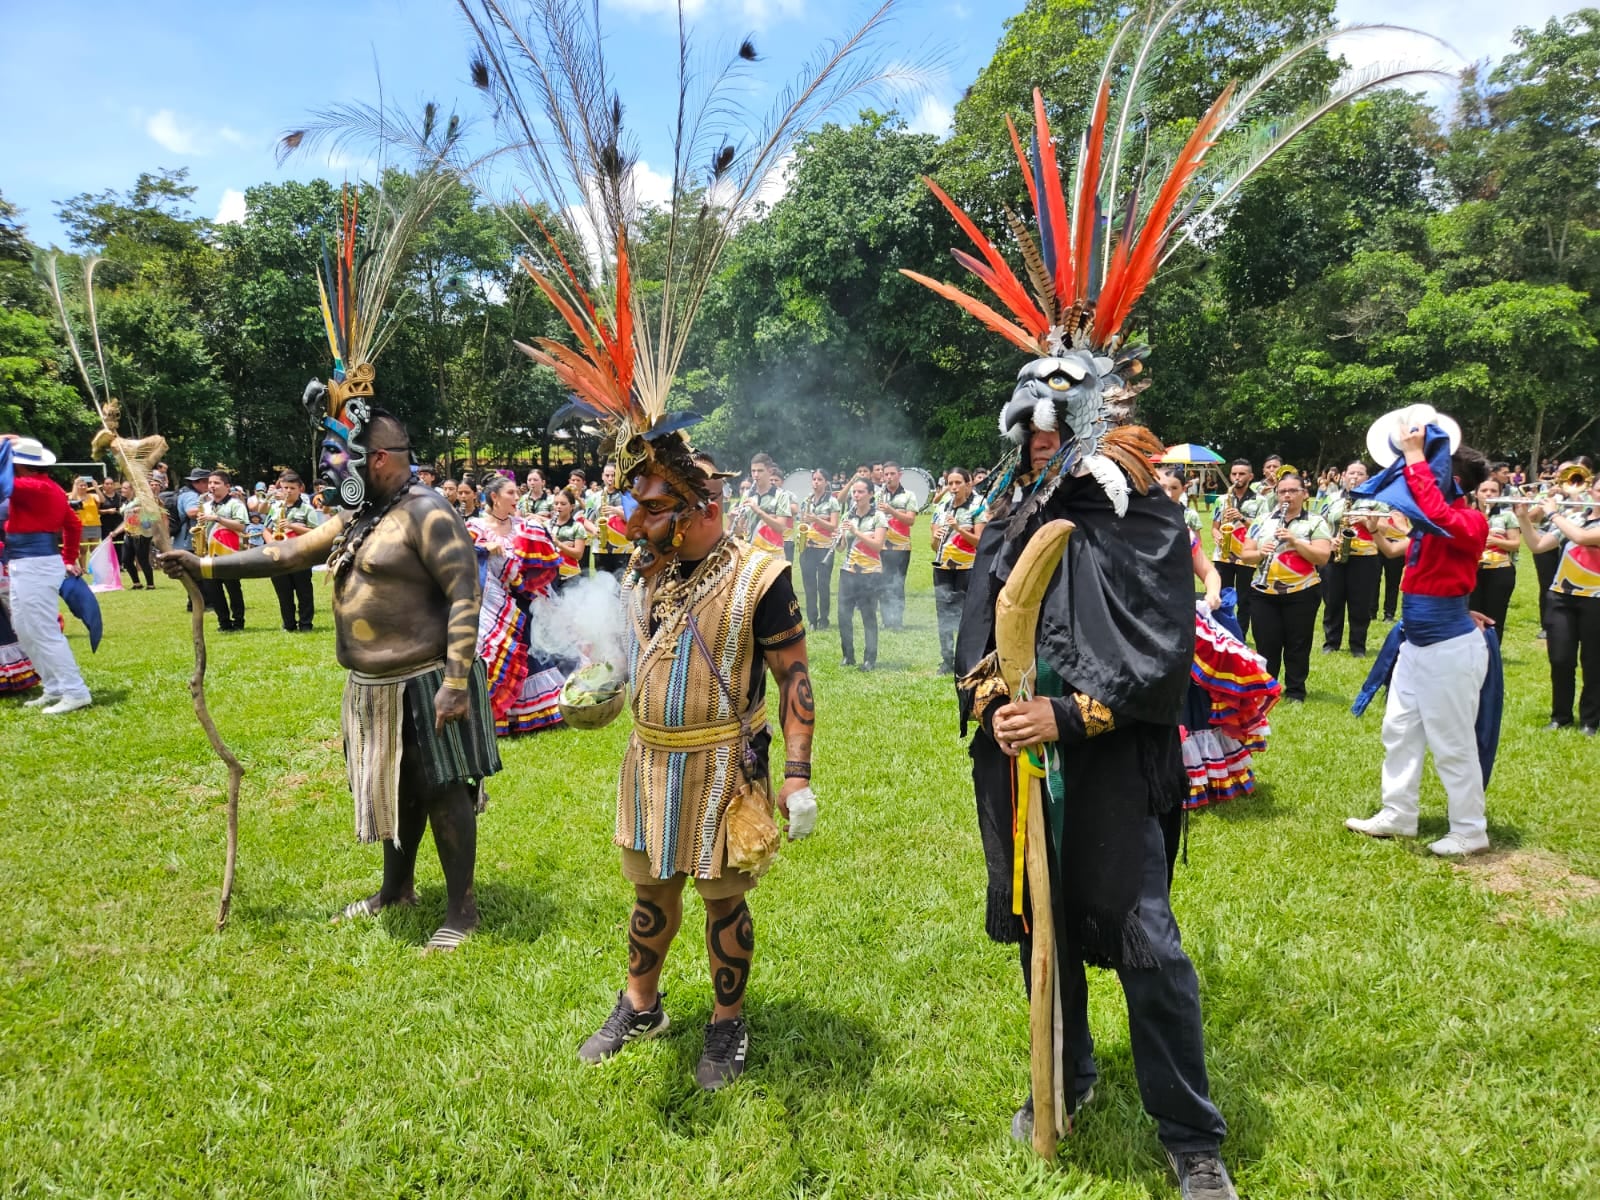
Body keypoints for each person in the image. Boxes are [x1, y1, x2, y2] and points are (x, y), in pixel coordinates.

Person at [907, 89, 1241, 1185]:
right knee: (1037, 935)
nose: (1037, 436)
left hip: (1102, 759)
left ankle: (1189, 1140)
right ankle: (1069, 1071)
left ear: (1089, 419)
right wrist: (984, 698)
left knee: (1141, 939)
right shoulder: (1007, 512)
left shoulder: (1142, 511)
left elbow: (1159, 644)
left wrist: (1072, 706)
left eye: (1055, 420)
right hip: (1014, 757)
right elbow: (976, 620)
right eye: (1027, 422)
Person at [160, 393, 499, 952]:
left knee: (441, 790)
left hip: (427, 679)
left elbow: (466, 595)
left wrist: (457, 683)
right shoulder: (361, 516)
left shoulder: (429, 512)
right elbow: (287, 554)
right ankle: (397, 890)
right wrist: (205, 565)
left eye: (341, 462)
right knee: (392, 788)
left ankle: (462, 910)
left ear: (381, 458)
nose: (332, 473)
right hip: (372, 688)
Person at [1347, 422, 1495, 855]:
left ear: (1452, 482)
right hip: (1417, 643)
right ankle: (1399, 814)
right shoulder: (1434, 523)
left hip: (1448, 649)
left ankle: (1470, 829)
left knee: (1452, 741)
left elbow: (1437, 514)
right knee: (1399, 730)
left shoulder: (1467, 520)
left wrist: (1415, 457)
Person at [0, 436, 92, 713]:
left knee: (43, 631)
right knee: (27, 631)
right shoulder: (48, 487)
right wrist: (67, 558)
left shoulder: (30, 487)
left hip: (34, 565)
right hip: (30, 564)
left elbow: (3, 486)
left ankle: (75, 691)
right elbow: (73, 524)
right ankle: (53, 687)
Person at [468, 475, 565, 736]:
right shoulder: (475, 527)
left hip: (524, 604)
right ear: (494, 497)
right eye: (510, 493)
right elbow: (457, 555)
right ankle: (498, 714)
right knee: (500, 654)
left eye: (516, 493)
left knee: (530, 653)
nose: (516, 497)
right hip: (491, 606)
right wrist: (484, 549)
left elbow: (541, 562)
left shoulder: (524, 526)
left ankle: (535, 713)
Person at [1515, 470, 1600, 734]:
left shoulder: (1567, 519)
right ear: (1592, 491)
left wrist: (1552, 513)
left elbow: (1583, 538)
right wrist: (1522, 519)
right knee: (1561, 659)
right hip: (1561, 597)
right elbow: (1539, 545)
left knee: (1594, 662)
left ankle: (1590, 720)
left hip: (1595, 599)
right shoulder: (1573, 517)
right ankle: (1560, 716)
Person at [1238, 472, 1332, 702]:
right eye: (1282, 491)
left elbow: (1322, 557)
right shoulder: (1262, 521)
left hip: (1302, 592)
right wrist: (1261, 552)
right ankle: (1267, 689)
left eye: (1292, 491)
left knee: (1297, 643)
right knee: (1266, 642)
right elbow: (1245, 555)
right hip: (1263, 592)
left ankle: (1295, 691)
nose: (1287, 495)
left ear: (1304, 494)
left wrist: (1295, 542)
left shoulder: (1315, 522)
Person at [1319, 461, 1385, 657]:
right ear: (1343, 476)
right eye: (1351, 473)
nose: (1355, 477)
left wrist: (1366, 520)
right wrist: (1330, 539)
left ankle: (1358, 645)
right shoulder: (1331, 498)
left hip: (1365, 557)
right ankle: (1332, 642)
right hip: (1336, 554)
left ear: (1367, 478)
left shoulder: (1375, 500)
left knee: (1360, 602)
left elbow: (1388, 528)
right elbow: (1320, 523)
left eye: (1360, 473)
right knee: (1332, 600)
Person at [930, 467, 987, 674]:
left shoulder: (978, 506)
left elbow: (981, 542)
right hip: (943, 567)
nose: (953, 488)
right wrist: (936, 538)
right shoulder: (941, 507)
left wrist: (958, 529)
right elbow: (934, 546)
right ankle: (947, 659)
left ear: (968, 483)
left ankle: (967, 660)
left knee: (966, 614)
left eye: (958, 483)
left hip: (968, 568)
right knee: (943, 614)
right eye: (950, 483)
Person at [1210, 459, 1266, 638]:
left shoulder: (1261, 501)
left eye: (1242, 474)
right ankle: (1221, 632)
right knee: (1221, 595)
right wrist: (1216, 535)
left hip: (1246, 554)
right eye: (1234, 474)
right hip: (1223, 554)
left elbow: (1262, 529)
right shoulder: (1222, 499)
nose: (1237, 477)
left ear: (1250, 476)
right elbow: (1214, 527)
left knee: (1244, 598)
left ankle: (1239, 634)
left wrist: (1242, 518)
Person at [836, 478, 887, 671]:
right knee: (843, 615)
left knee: (868, 616)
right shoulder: (848, 516)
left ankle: (869, 658)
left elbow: (878, 545)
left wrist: (856, 532)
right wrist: (840, 538)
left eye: (860, 492)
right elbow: (842, 548)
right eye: (854, 493)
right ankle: (848, 655)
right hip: (848, 571)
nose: (856, 496)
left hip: (870, 573)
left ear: (870, 494)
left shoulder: (878, 517)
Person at [265, 470, 320, 632]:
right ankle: (288, 624)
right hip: (279, 555)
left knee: (304, 592)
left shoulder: (307, 509)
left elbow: (315, 532)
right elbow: (266, 529)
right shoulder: (274, 508)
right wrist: (271, 544)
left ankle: (305, 624)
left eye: (292, 488)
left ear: (300, 489)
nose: (288, 491)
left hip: (300, 555)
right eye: (285, 488)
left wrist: (291, 526)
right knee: (283, 592)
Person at [197, 471, 249, 632]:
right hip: (209, 553)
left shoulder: (235, 504)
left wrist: (218, 519)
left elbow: (241, 526)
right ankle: (223, 622)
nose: (212, 486)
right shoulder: (206, 505)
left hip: (229, 553)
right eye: (210, 483)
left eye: (216, 483)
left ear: (227, 486)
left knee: (233, 588)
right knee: (213, 590)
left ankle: (238, 622)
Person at [1470, 477, 1520, 640]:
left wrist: (1496, 541)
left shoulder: (1507, 516)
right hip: (1471, 571)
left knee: (1495, 616)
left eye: (1494, 491)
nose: (1489, 494)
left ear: (1500, 494)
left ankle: (1492, 652)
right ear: (1476, 494)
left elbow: (1515, 544)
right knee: (1470, 614)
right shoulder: (1467, 514)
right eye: (1484, 491)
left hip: (1500, 571)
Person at [795, 469, 841, 630]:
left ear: (826, 482)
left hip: (825, 549)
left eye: (819, 479)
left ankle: (824, 618)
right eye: (814, 479)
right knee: (809, 586)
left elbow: (834, 526)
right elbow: (802, 523)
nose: (816, 482)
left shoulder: (832, 501)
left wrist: (816, 519)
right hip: (808, 548)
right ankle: (812, 619)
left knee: (823, 585)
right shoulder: (806, 500)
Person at [876, 461, 920, 629]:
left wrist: (891, 511)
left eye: (892, 474)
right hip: (882, 546)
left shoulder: (909, 495)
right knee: (882, 583)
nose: (889, 477)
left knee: (897, 584)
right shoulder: (879, 495)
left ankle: (897, 621)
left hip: (901, 548)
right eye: (886, 474)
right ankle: (886, 620)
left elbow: (911, 520)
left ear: (899, 475)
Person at [731, 453, 793, 555]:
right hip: (750, 553)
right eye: (753, 471)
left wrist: (759, 511)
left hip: (773, 555)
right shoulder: (747, 494)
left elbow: (781, 527)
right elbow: (739, 532)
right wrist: (732, 519)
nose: (755, 475)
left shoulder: (781, 495)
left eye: (760, 471)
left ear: (770, 471)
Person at [548, 488, 591, 591]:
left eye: (563, 504)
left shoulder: (577, 527)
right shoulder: (547, 525)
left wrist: (559, 544)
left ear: (572, 507)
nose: (558, 506)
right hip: (549, 576)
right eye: (556, 503)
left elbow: (578, 554)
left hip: (570, 576)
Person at [119, 479, 158, 590]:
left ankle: (150, 584)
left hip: (141, 534)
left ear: (132, 490)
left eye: (125, 488)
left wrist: (141, 509)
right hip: (129, 533)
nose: (122, 490)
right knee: (126, 559)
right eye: (122, 488)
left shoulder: (140, 501)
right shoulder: (126, 503)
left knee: (142, 559)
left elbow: (153, 511)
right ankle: (136, 583)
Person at [594, 462, 631, 578]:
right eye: (607, 475)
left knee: (623, 583)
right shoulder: (595, 496)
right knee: (602, 584)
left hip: (623, 548)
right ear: (602, 476)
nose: (610, 478)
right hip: (600, 548)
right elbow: (586, 520)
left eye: (613, 475)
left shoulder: (628, 496)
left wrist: (617, 511)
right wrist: (595, 530)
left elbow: (634, 519)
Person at [69, 477, 102, 571]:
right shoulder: (75, 497)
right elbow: (72, 499)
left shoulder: (92, 495)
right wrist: (75, 483)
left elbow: (102, 500)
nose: (83, 487)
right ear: (77, 487)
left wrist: (96, 487)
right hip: (82, 525)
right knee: (83, 549)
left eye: (85, 485)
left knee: (94, 549)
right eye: (81, 485)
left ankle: (95, 568)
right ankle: (83, 569)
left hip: (95, 524)